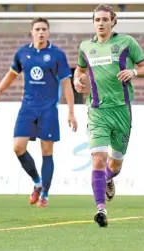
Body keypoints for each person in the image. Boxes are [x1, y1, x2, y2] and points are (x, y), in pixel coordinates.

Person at [0, 17, 78, 208]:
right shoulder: (23, 53)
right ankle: (37, 182)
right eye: (37, 29)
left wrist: (71, 112)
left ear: (48, 32)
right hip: (28, 108)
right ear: (32, 32)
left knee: (47, 151)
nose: (41, 32)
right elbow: (11, 75)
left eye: (44, 29)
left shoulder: (57, 55)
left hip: (48, 109)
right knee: (18, 147)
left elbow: (66, 83)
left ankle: (45, 194)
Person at [73, 4, 144, 227]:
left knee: (114, 166)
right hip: (97, 110)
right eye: (97, 20)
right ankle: (101, 209)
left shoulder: (126, 43)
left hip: (122, 110)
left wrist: (133, 71)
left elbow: (143, 66)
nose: (101, 23)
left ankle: (109, 179)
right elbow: (80, 68)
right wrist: (77, 79)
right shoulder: (86, 46)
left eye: (105, 19)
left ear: (113, 21)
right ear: (93, 22)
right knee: (98, 159)